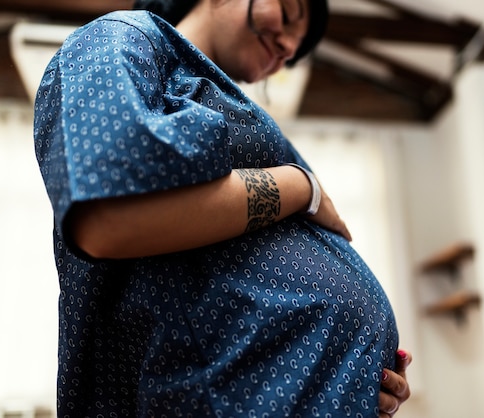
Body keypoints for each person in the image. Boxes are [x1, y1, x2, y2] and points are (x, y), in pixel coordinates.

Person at [33, 0, 411, 416]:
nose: (287, 47)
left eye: (296, 49)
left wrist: (354, 365)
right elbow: (107, 218)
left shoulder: (235, 105)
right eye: (287, 12)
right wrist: (302, 187)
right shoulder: (126, 35)